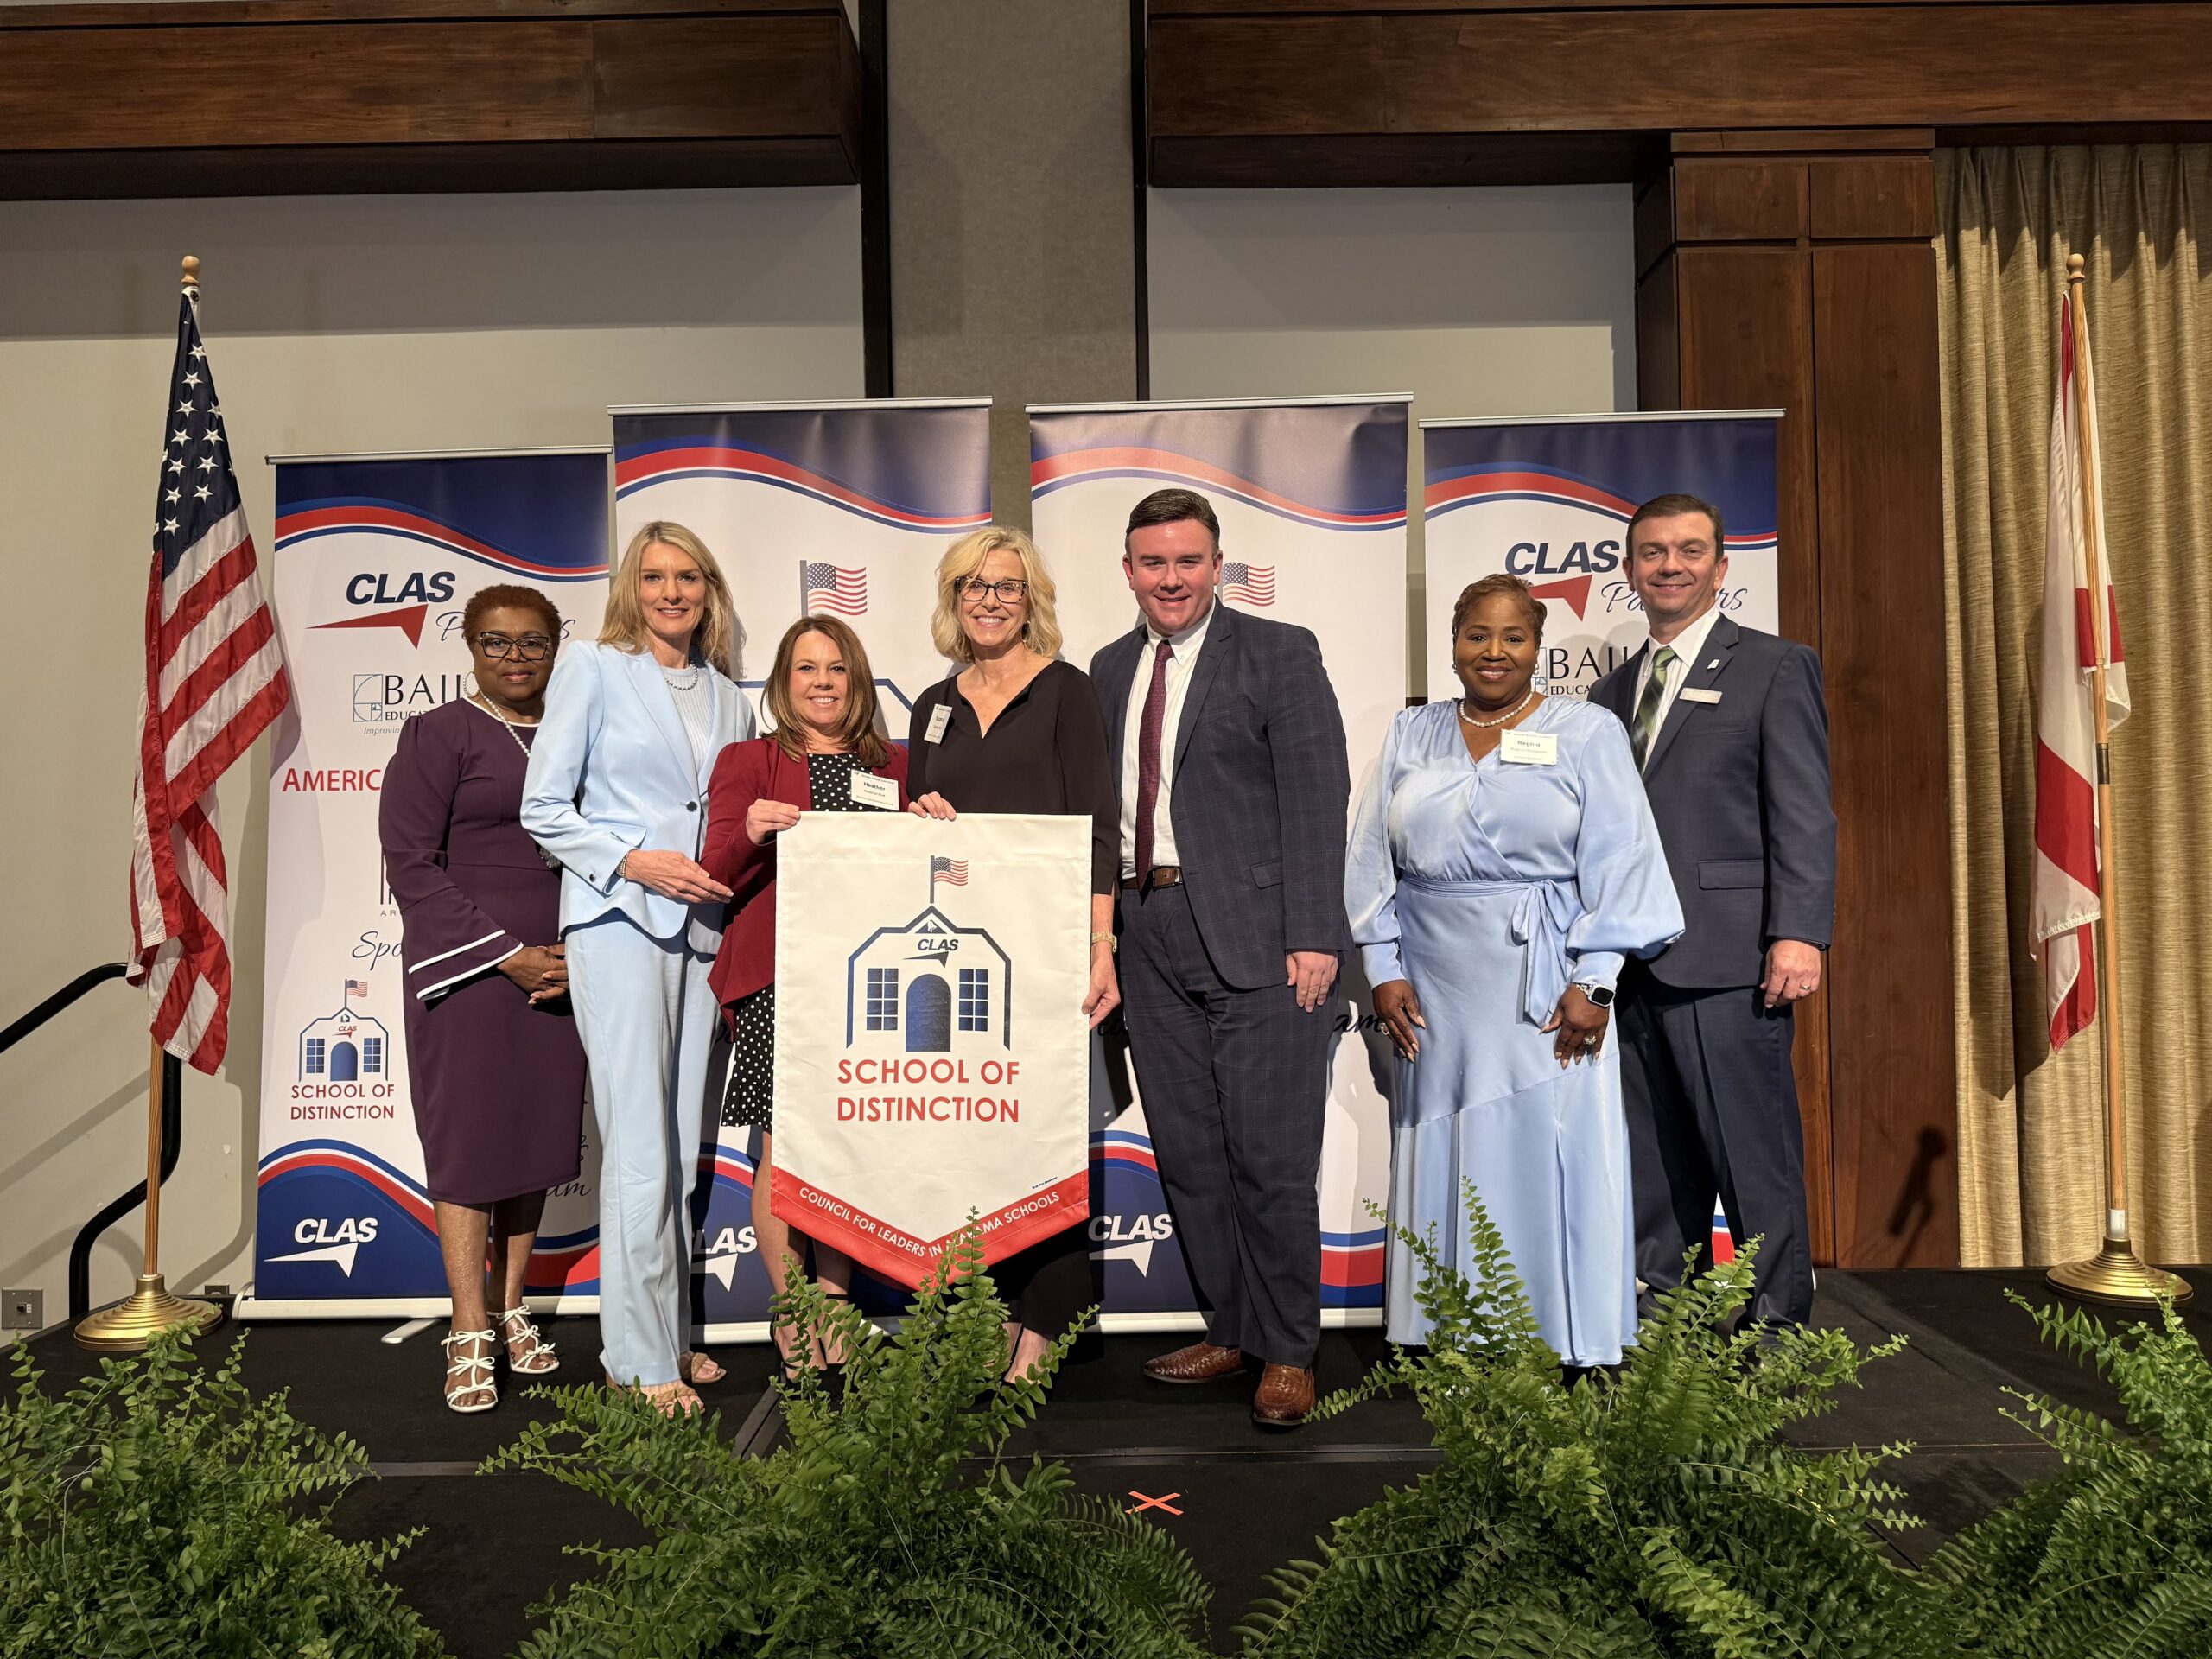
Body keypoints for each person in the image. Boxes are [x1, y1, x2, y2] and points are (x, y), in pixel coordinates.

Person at [1346, 575, 1682, 1365]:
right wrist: (1382, 963)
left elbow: (1622, 857)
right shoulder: (1411, 733)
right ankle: (1446, 1329)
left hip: (1547, 980)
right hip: (1431, 985)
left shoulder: (1588, 731)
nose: (1493, 653)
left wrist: (1595, 977)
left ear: (1536, 646)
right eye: (1476, 636)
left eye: (1514, 638)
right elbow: (1368, 855)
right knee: (1444, 1143)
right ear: (1453, 641)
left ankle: (1560, 1334)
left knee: (1548, 1143)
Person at [1089, 487, 1348, 1429]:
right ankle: (1230, 1327)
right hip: (1145, 929)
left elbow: (1319, 799)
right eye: (1153, 563)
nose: (1170, 578)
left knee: (1270, 1157)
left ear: (1215, 566)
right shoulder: (1109, 667)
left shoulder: (1280, 654)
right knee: (1191, 1156)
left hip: (1261, 939)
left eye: (1187, 561)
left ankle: (1288, 1350)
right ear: (1129, 571)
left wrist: (1315, 934)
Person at [520, 520, 755, 1415]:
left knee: (677, 1151)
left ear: (708, 590)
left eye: (688, 577)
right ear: (633, 587)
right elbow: (544, 806)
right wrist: (630, 860)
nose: (671, 593)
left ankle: (672, 1334)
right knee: (638, 1148)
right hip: (617, 923)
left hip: (701, 933)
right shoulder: (592, 668)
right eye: (654, 577)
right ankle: (636, 1358)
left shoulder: (732, 698)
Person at [1588, 493, 1837, 1330]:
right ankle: (1669, 1325)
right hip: (1628, 967)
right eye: (1652, 553)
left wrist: (1797, 933)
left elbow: (1803, 812)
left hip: (1730, 959)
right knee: (1655, 1165)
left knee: (1751, 1159)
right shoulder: (1608, 694)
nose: (1669, 566)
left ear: (1721, 569)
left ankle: (1774, 1333)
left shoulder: (1774, 665)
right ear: (1628, 572)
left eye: (1688, 551)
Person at [906, 525, 1121, 1382]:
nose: (990, 600)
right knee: (977, 1144)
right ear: (952, 598)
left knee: (1047, 1141)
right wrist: (918, 823)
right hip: (959, 960)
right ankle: (987, 1316)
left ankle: (1046, 1324)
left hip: (1047, 949)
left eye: (1006, 585)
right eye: (973, 586)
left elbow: (1098, 826)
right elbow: (920, 826)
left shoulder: (1066, 693)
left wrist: (1100, 943)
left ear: (1030, 599)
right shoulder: (932, 702)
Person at [380, 584, 588, 1413]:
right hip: (469, 969)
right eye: (498, 642)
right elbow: (410, 864)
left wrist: (577, 952)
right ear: (469, 645)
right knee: (470, 1143)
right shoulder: (438, 734)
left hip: (569, 964)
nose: (516, 658)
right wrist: (509, 957)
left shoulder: (577, 732)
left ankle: (512, 1308)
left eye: (533, 643)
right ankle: (468, 1326)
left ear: (554, 648)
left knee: (533, 1139)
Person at [700, 615, 906, 1373]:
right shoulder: (749, 761)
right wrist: (751, 830)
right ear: (783, 684)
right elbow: (715, 871)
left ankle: (837, 1311)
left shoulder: (894, 766)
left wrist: (934, 832)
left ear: (858, 680)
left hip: (867, 983)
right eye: (805, 669)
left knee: (845, 1147)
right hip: (781, 976)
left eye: (837, 669)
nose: (822, 683)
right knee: (783, 1150)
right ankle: (792, 1314)